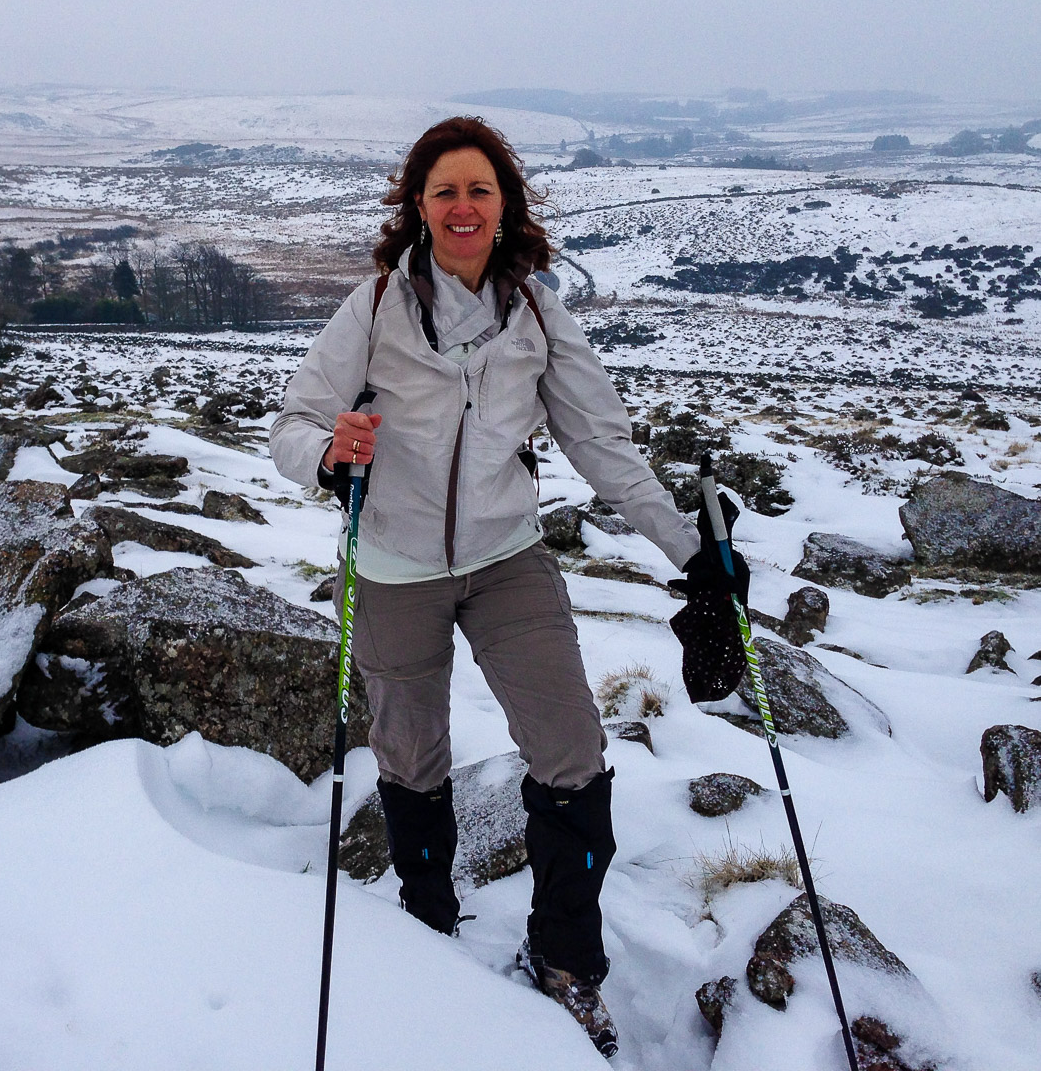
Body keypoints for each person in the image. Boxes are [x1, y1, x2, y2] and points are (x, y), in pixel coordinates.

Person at [270, 116, 740, 1058]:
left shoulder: (536, 314)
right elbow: (292, 424)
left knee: (571, 747)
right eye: (444, 190)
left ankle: (566, 958)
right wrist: (329, 454)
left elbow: (601, 445)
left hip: (507, 560)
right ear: (417, 208)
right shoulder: (372, 308)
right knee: (411, 758)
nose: (462, 206)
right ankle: (427, 920)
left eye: (479, 189)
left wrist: (691, 551)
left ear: (504, 205)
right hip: (394, 569)